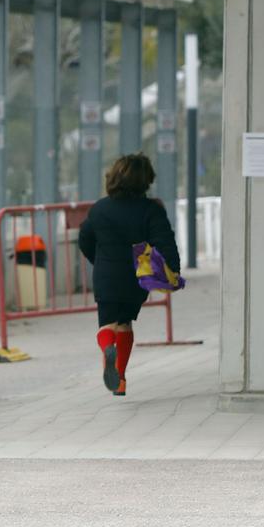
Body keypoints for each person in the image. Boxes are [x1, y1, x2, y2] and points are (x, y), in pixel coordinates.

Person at [76, 153, 180, 397]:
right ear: (145, 180)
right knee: (125, 324)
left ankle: (107, 348)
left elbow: (85, 239)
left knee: (107, 325)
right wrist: (173, 271)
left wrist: (97, 260)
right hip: (135, 279)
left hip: (106, 275)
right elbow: (165, 241)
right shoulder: (150, 210)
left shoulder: (99, 208)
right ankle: (120, 380)